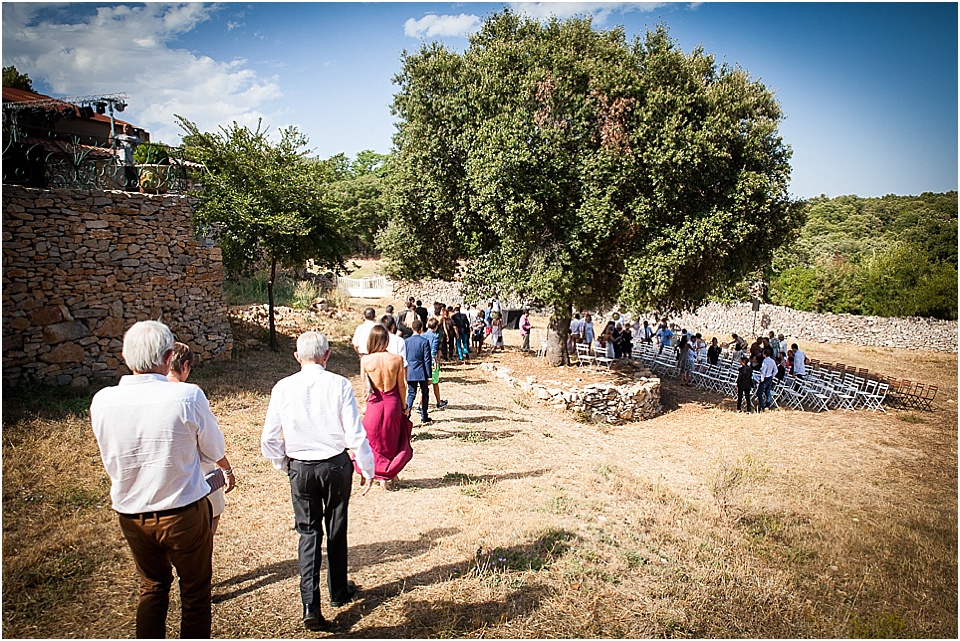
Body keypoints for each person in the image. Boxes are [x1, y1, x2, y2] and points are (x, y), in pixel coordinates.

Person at [90, 321, 235, 638]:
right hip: (182, 510)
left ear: (125, 356)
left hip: (131, 514)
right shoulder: (187, 396)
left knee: (152, 587)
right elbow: (214, 448)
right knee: (195, 591)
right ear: (170, 356)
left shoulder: (102, 400)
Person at [261, 331, 375, 632]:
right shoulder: (338, 384)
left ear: (298, 357)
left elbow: (269, 437)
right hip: (336, 466)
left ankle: (310, 604)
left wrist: (283, 463)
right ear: (326, 356)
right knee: (336, 527)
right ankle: (338, 591)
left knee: (308, 533)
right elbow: (354, 432)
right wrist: (367, 467)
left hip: (301, 467)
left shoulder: (283, 387)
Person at [167, 342, 227, 537]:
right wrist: (227, 468)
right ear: (185, 366)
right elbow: (211, 444)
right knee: (215, 509)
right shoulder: (191, 395)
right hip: (195, 476)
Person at [360, 326, 414, 489]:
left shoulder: (366, 360)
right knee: (392, 438)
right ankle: (391, 473)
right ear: (386, 340)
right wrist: (405, 406)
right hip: (392, 402)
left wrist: (365, 405)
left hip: (375, 403)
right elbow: (402, 386)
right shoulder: (396, 359)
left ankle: (378, 473)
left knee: (374, 439)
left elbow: (365, 388)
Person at [404, 319, 433, 424]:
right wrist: (429, 376)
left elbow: (404, 357)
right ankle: (424, 415)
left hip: (410, 371)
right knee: (425, 393)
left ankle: (407, 414)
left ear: (412, 328)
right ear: (421, 329)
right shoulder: (424, 342)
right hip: (422, 372)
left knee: (411, 394)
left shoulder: (406, 341)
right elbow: (427, 360)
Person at [424, 318, 448, 409]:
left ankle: (420, 404)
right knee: (435, 382)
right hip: (432, 361)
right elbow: (434, 350)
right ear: (436, 326)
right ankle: (438, 402)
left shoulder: (423, 335)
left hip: (424, 361)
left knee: (425, 383)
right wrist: (436, 362)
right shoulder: (435, 336)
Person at [110, 122, 140, 190]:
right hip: (121, 158)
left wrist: (129, 140)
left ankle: (132, 188)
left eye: (127, 127)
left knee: (131, 175)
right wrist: (112, 130)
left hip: (131, 160)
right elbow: (111, 141)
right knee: (122, 174)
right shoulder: (119, 136)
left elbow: (137, 144)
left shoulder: (134, 137)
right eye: (124, 127)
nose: (125, 128)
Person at [757, 347, 777, 411]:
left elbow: (763, 370)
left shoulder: (765, 361)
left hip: (765, 378)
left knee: (759, 393)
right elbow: (776, 370)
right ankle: (768, 404)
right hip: (769, 377)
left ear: (764, 354)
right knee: (767, 392)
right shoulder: (772, 361)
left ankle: (762, 406)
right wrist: (772, 376)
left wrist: (762, 378)